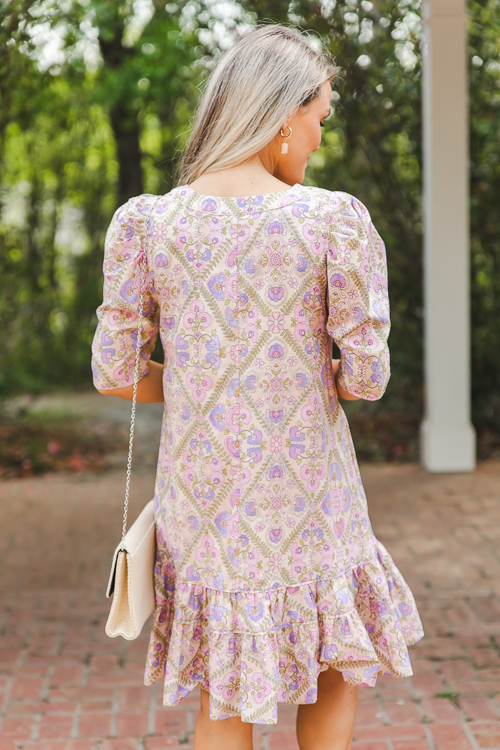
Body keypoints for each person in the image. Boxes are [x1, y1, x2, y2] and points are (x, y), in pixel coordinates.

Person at [92, 24, 424, 750]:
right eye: (318, 120)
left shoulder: (147, 224)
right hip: (309, 495)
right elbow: (366, 378)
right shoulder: (332, 221)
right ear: (282, 117)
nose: (318, 140)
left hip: (203, 501)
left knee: (224, 681)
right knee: (335, 661)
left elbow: (114, 372)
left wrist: (201, 388)